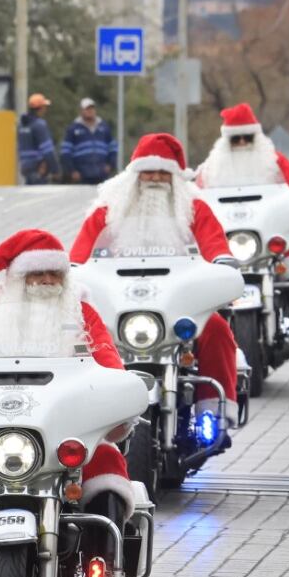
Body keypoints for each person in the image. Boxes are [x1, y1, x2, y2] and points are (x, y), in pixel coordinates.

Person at [0, 229, 136, 519]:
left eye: (55, 274)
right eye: (38, 273)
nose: (47, 281)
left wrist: (120, 393)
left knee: (106, 460)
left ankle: (104, 557)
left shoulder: (83, 315)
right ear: (17, 279)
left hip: (66, 427)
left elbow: (109, 363)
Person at [69, 133, 241, 425]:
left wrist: (224, 265)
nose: (155, 178)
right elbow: (78, 259)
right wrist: (71, 273)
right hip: (118, 305)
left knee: (216, 329)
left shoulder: (195, 210)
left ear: (176, 177)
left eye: (164, 172)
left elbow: (216, 249)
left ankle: (214, 409)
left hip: (180, 303)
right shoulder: (107, 212)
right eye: (148, 170)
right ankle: (80, 415)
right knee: (75, 338)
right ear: (134, 173)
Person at [197, 103, 289, 286]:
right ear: (226, 140)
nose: (242, 143)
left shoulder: (275, 162)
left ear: (256, 137)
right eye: (235, 139)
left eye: (248, 138)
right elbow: (195, 201)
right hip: (225, 239)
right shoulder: (209, 169)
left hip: (272, 236)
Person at [61, 97, 117, 185]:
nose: (90, 111)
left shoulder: (104, 127)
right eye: (87, 109)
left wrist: (110, 165)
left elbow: (113, 148)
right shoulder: (73, 128)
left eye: (92, 108)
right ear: (81, 111)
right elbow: (66, 152)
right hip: (82, 176)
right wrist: (72, 171)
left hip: (101, 174)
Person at [18, 93, 59, 185]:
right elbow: (48, 151)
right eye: (44, 107)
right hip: (39, 168)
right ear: (40, 108)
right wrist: (55, 169)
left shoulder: (22, 125)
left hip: (25, 166)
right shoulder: (39, 125)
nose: (45, 110)